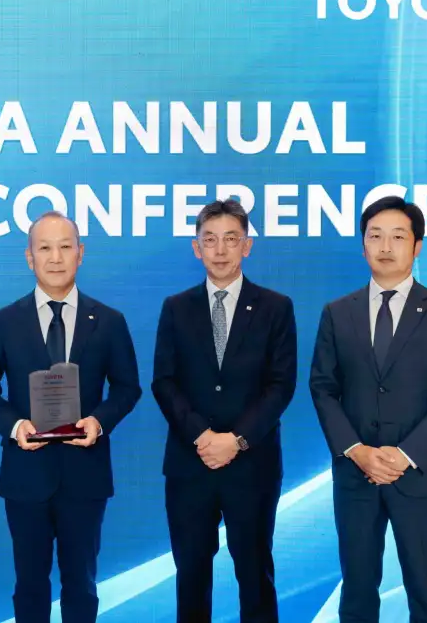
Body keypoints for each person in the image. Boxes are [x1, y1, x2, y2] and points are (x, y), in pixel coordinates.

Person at [0, 211, 142, 623]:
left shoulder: (109, 321)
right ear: (29, 257)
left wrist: (99, 421)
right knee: (29, 585)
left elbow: (127, 387)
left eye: (65, 246)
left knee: (81, 584)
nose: (56, 257)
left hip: (85, 474)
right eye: (44, 248)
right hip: (25, 473)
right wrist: (15, 426)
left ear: (81, 253)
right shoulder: (3, 321)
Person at [310, 195, 427, 622]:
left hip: (422, 476)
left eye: (398, 237)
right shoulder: (337, 313)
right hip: (356, 477)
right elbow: (323, 388)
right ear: (363, 245)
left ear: (417, 246)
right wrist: (356, 450)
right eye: (375, 236)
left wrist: (405, 455)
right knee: (357, 593)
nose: (385, 246)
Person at [151, 199, 297, 623]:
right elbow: (164, 381)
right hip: (190, 465)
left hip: (252, 466)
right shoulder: (176, 307)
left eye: (230, 239)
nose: (220, 250)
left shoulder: (275, 307)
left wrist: (236, 440)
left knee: (255, 575)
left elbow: (280, 385)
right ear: (196, 248)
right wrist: (202, 436)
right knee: (191, 577)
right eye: (209, 240)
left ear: (246, 246)